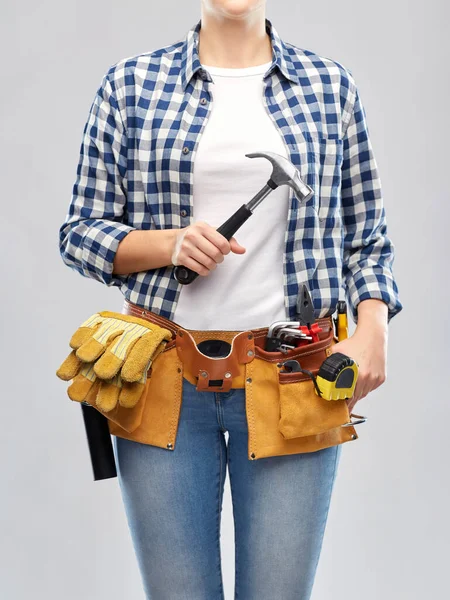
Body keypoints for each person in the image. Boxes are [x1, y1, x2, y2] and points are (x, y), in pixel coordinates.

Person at [59, 1, 402, 598]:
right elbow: (80, 232)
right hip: (161, 378)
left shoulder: (329, 86)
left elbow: (367, 238)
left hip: (292, 378)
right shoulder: (131, 84)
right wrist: (167, 243)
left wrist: (373, 328)